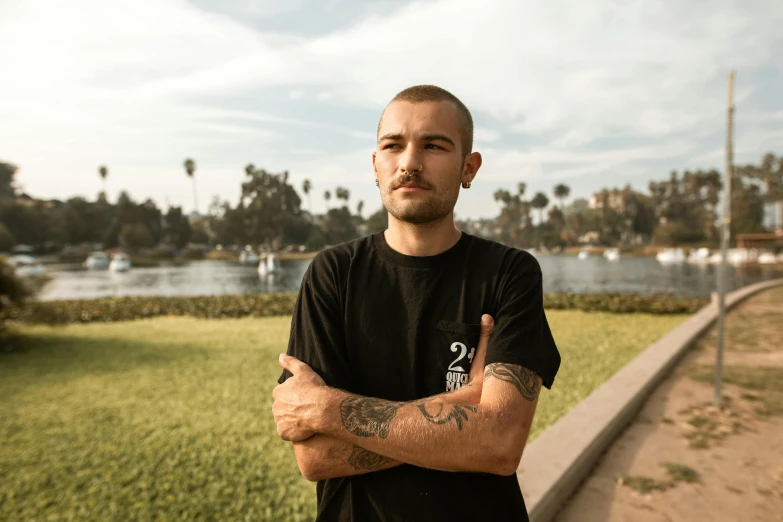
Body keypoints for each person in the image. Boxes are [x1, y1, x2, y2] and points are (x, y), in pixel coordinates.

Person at [273, 84, 561, 522]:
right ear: (375, 164)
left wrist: (328, 409)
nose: (409, 162)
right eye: (393, 145)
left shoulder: (509, 273)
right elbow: (316, 458)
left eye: (434, 145)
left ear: (469, 167)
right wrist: (467, 404)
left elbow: (500, 445)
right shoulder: (333, 273)